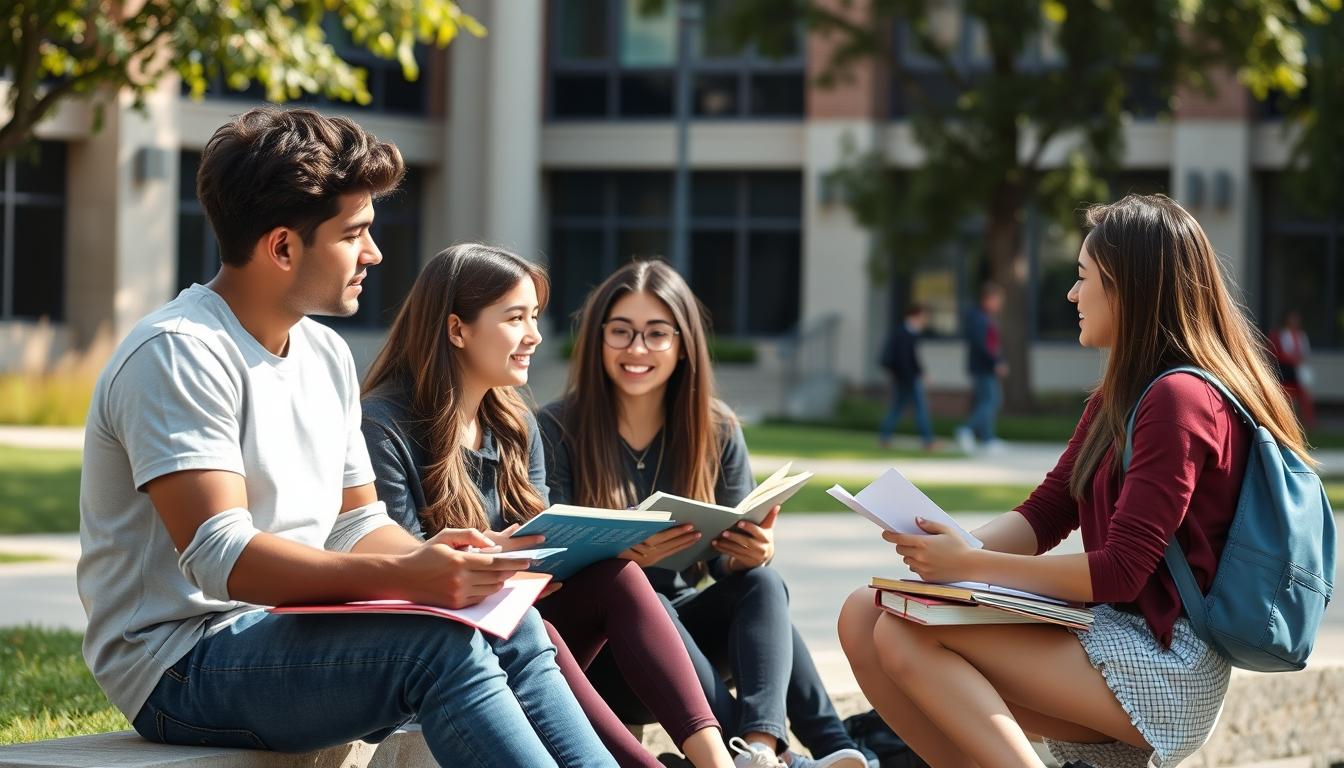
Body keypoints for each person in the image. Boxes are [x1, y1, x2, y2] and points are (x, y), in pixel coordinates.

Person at [76, 107, 614, 768]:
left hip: (282, 631)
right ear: (282, 247)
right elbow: (222, 558)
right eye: (355, 233)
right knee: (439, 649)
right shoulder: (179, 353)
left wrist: (446, 561)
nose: (374, 253)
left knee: (513, 621)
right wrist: (409, 578)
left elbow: (357, 524)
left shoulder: (325, 355)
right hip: (181, 662)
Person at [838, 194, 1311, 768]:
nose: (1071, 294)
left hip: (1166, 664)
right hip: (1107, 637)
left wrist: (971, 567)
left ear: (1128, 288)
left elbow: (1120, 569)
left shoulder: (1180, 399)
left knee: (904, 632)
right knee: (866, 612)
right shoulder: (1121, 395)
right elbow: (1045, 514)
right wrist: (947, 547)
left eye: (1083, 277)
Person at [359, 245, 734, 768]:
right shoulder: (382, 425)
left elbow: (542, 532)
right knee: (537, 627)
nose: (535, 335)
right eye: (516, 319)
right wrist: (498, 559)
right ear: (456, 329)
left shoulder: (515, 424)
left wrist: (558, 553)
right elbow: (395, 567)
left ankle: (716, 760)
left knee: (617, 576)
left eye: (534, 316)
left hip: (521, 630)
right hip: (440, 653)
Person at [539, 260, 870, 768]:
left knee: (764, 585)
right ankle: (800, 759)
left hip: (693, 642)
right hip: (611, 651)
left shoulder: (715, 429)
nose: (638, 349)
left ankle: (762, 749)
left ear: (683, 342)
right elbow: (551, 559)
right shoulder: (557, 428)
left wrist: (748, 555)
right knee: (651, 599)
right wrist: (616, 552)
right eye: (622, 332)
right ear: (598, 338)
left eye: (656, 334)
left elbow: (722, 565)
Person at [954, 282, 1006, 453]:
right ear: (988, 299)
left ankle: (987, 439)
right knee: (990, 401)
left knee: (987, 401)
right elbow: (981, 345)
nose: (999, 304)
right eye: (997, 299)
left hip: (984, 367)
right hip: (983, 367)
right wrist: (995, 362)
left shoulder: (983, 317)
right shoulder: (979, 318)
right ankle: (967, 429)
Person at [878, 304, 936, 451]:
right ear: (915, 316)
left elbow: (913, 358)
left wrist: (922, 373)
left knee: (897, 408)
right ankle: (928, 440)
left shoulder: (909, 333)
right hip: (908, 378)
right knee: (920, 409)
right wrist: (914, 376)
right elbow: (905, 359)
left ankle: (885, 437)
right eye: (923, 317)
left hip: (905, 377)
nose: (924, 320)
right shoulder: (904, 333)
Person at [1270, 309, 1316, 429]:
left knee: (1305, 396)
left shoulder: (1301, 335)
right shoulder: (1281, 334)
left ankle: (1308, 422)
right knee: (1285, 397)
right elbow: (1280, 354)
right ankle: (1285, 422)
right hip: (1285, 371)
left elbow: (1304, 354)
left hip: (1298, 371)